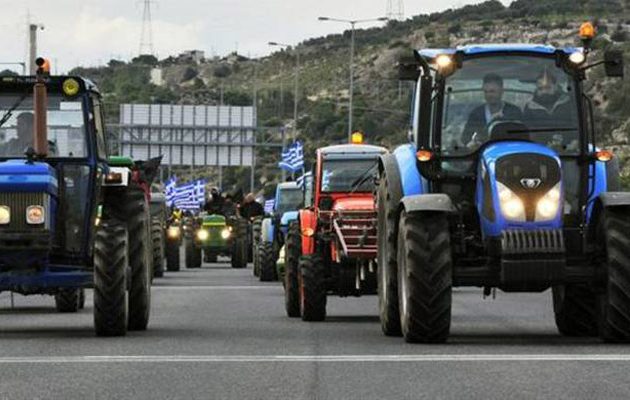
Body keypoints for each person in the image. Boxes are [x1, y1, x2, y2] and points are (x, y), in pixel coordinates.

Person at [462, 74, 522, 148]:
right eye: (486, 92)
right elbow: (465, 138)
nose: (489, 95)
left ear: (502, 91)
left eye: (492, 91)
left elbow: (521, 136)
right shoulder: (476, 114)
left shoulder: (514, 112)